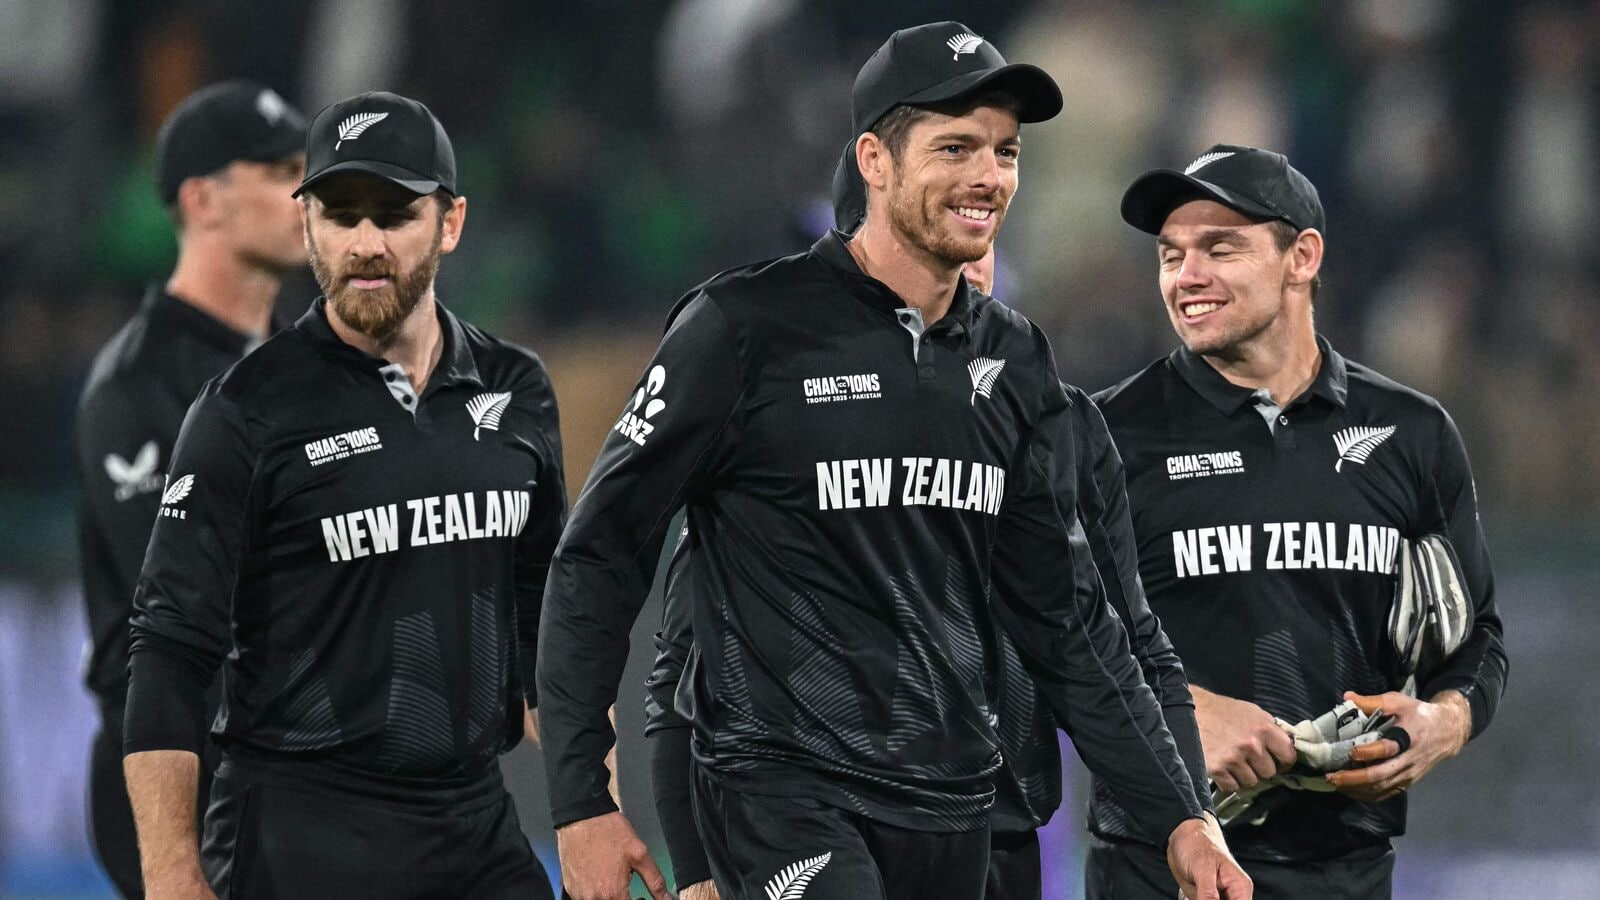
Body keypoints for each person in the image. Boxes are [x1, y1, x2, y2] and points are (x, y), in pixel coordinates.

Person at [539, 22, 1249, 900]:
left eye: (1004, 151)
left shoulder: (1016, 364)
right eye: (955, 147)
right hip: (782, 800)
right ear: (874, 160)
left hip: (955, 817)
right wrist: (581, 803)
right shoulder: (744, 329)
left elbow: (1070, 623)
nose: (988, 176)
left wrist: (1180, 817)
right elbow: (600, 554)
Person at [121, 91, 565, 900]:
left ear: (451, 223)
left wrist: (592, 805)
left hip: (472, 823)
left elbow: (544, 618)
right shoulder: (244, 412)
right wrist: (170, 874)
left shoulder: (517, 390)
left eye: (394, 214)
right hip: (302, 835)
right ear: (306, 225)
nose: (364, 243)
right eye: (339, 213)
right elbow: (166, 650)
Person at [1088, 144, 1508, 898]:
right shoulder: (1107, 436)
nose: (1187, 277)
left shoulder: (1411, 433)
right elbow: (1047, 637)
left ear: (1302, 256)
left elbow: (1476, 635)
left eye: (1221, 248)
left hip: (1343, 868)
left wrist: (1443, 723)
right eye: (1171, 254)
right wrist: (1181, 712)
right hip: (1162, 865)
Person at [75, 80, 307, 897]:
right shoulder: (135, 389)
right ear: (204, 199)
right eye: (280, 170)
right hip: (183, 778)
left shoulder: (311, 365)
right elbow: (185, 603)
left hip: (298, 775)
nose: (307, 192)